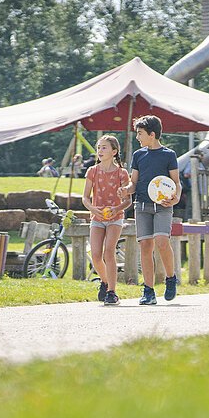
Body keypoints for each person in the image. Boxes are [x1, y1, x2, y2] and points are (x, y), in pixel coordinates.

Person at [118, 115, 181, 305]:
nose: (137, 137)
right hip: (142, 206)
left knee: (162, 242)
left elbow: (176, 183)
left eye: (140, 133)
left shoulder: (169, 155)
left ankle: (171, 278)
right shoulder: (138, 155)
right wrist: (126, 190)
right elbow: (134, 183)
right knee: (145, 246)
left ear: (152, 135)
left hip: (163, 206)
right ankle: (149, 291)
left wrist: (176, 197)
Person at [82, 135, 131, 305]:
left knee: (108, 252)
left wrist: (116, 209)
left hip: (115, 218)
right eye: (98, 147)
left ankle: (112, 292)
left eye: (104, 147)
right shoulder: (92, 171)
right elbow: (85, 198)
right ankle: (104, 282)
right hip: (97, 217)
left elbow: (128, 201)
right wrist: (93, 209)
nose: (100, 151)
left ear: (114, 151)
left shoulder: (122, 173)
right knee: (96, 256)